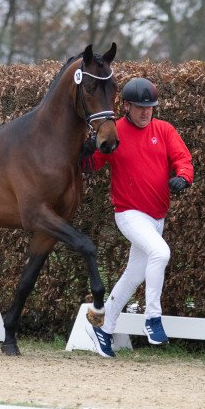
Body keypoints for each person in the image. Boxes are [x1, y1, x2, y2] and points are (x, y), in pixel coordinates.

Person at [85, 77, 194, 358]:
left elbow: (183, 159)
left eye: (151, 107)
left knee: (133, 275)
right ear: (126, 106)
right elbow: (91, 164)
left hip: (157, 216)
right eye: (140, 107)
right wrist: (87, 150)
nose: (147, 112)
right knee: (161, 252)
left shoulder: (164, 130)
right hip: (129, 213)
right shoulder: (115, 132)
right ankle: (153, 318)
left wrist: (183, 177)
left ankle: (103, 328)